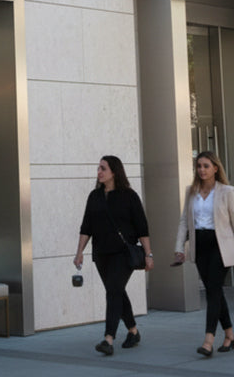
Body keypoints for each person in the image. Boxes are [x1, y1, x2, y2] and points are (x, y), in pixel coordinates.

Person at [74, 155, 154, 356]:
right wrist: (79, 252)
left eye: (103, 168)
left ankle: (108, 338)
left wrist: (148, 254)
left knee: (113, 291)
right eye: (98, 168)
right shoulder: (95, 196)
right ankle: (133, 331)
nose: (99, 172)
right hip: (101, 253)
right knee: (116, 291)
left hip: (122, 254)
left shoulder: (129, 195)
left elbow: (142, 227)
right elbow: (86, 227)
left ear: (114, 172)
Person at [173, 150, 234, 357]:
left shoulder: (227, 191)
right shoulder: (191, 191)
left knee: (213, 291)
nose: (202, 170)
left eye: (206, 166)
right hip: (200, 246)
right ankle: (229, 334)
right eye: (199, 166)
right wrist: (179, 248)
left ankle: (208, 340)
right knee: (213, 290)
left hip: (221, 246)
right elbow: (184, 222)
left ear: (215, 168)